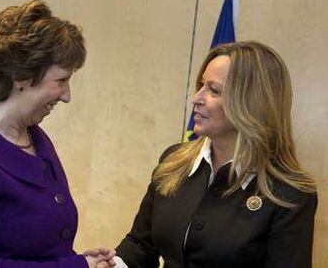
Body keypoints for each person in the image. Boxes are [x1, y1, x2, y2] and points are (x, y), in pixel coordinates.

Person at [0, 0, 115, 268]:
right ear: (21, 76)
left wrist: (79, 259)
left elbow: (41, 248)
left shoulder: (36, 138)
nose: (67, 96)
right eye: (61, 80)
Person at [115, 41, 318, 268]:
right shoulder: (174, 161)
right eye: (201, 85)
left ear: (252, 104)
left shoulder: (289, 194)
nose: (196, 98)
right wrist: (110, 263)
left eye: (214, 90)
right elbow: (140, 246)